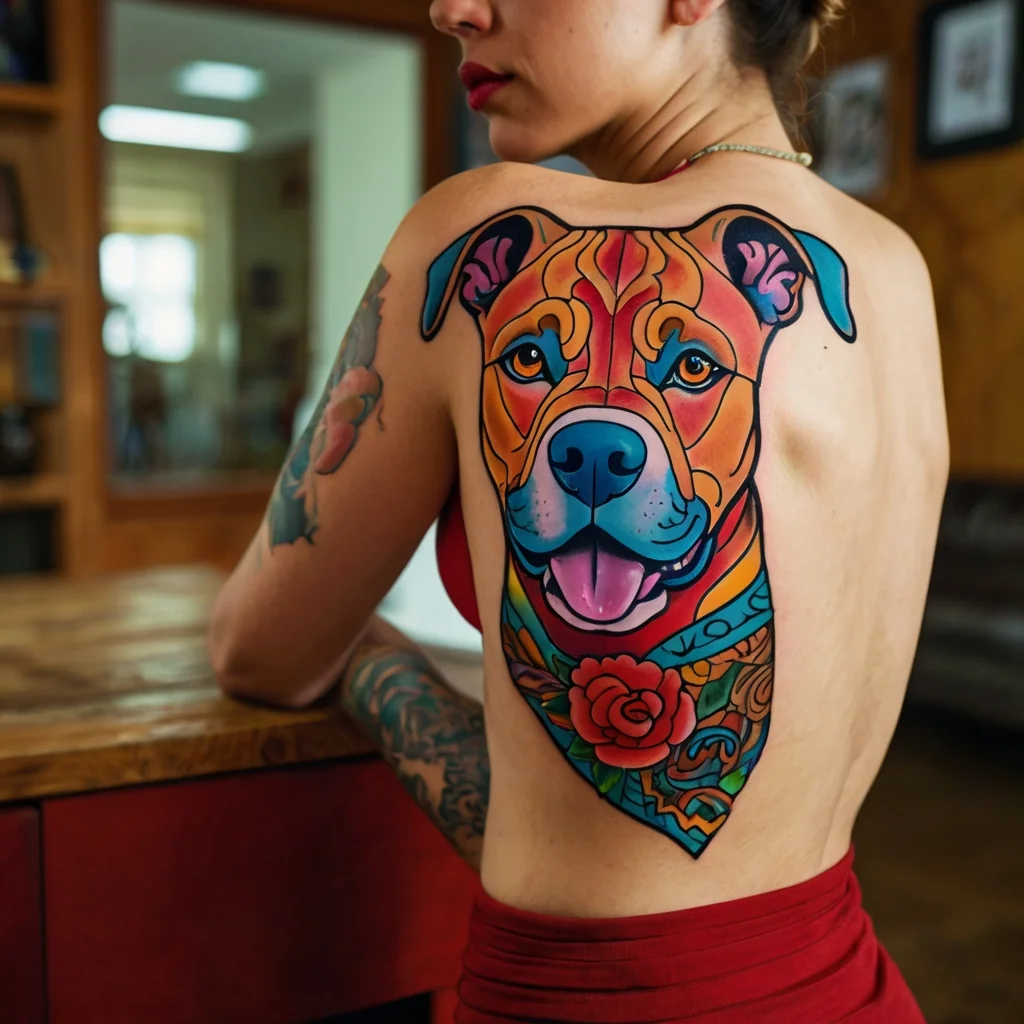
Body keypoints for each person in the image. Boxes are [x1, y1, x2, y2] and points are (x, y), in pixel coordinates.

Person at [209, 1, 948, 1019]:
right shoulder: (889, 267)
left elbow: (259, 647)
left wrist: (369, 648)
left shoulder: (477, 234)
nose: (452, 8)